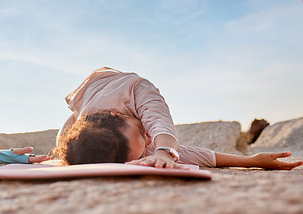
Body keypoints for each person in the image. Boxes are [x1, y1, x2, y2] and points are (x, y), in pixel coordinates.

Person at [54, 67, 303, 170]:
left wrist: (163, 150)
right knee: (71, 145)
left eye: (142, 131)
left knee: (66, 135)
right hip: (90, 116)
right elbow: (189, 153)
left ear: (117, 114)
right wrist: (250, 160)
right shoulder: (89, 124)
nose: (149, 136)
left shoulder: (139, 91)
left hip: (104, 82)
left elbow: (159, 124)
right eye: (146, 144)